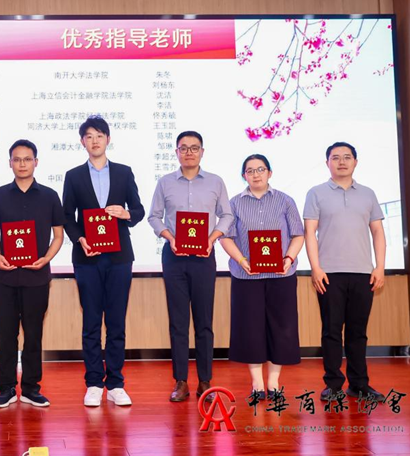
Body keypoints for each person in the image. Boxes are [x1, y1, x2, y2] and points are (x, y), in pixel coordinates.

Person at [62, 115, 145, 407]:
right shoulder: (73, 176)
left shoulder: (124, 172)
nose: (95, 141)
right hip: (87, 258)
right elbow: (66, 216)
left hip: (119, 257)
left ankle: (116, 383)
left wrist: (126, 214)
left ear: (108, 139)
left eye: (99, 135)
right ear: (82, 142)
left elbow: (138, 209)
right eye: (89, 136)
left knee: (116, 322)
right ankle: (94, 382)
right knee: (91, 322)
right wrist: (80, 239)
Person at [147, 130, 233, 402]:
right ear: (176, 152)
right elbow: (154, 217)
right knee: (178, 321)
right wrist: (170, 237)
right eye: (183, 148)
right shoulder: (165, 182)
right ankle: (181, 381)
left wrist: (212, 238)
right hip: (174, 256)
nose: (189, 153)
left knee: (204, 321)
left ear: (202, 152)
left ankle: (205, 381)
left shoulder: (216, 182)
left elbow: (227, 215)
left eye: (194, 148)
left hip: (204, 256)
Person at [304, 142, 386, 402]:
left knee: (357, 332)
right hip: (329, 274)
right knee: (331, 331)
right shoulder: (316, 193)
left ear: (355, 162)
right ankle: (333, 385)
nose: (341, 161)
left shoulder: (368, 194)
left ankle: (359, 385)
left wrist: (380, 266)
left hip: (363, 273)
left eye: (347, 157)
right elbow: (309, 233)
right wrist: (316, 268)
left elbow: (377, 231)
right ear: (327, 162)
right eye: (335, 157)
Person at [0, 139, 65, 409]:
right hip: (4, 278)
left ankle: (31, 388)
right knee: (6, 335)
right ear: (10, 163)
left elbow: (58, 235)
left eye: (27, 159)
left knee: (33, 335)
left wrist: (46, 258)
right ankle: (6, 388)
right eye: (17, 159)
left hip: (36, 278)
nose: (22, 164)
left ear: (36, 162)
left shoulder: (50, 196)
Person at [219, 154, 304, 400]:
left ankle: (274, 383)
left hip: (281, 275)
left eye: (260, 169)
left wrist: (288, 259)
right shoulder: (234, 204)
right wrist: (241, 261)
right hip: (246, 277)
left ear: (269, 173)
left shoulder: (285, 201)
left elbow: (298, 235)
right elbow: (226, 237)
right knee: (250, 329)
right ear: (243, 176)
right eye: (250, 170)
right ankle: (257, 384)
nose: (256, 174)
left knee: (281, 327)